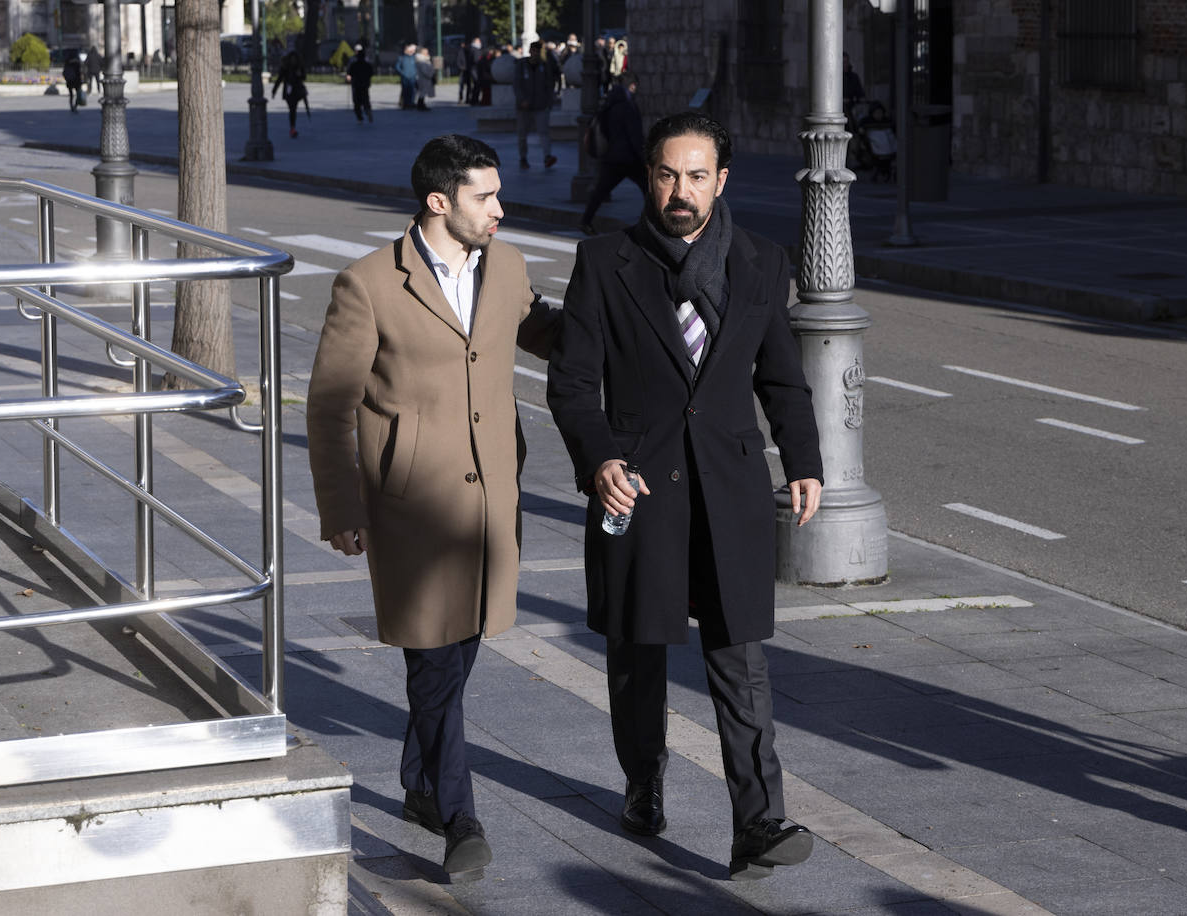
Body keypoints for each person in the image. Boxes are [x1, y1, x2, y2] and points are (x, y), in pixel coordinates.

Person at [546, 111, 823, 881]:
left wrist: (804, 461)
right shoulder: (605, 263)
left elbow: (782, 379)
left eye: (697, 176)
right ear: (649, 179)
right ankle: (643, 780)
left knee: (740, 659)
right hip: (636, 486)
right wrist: (598, 457)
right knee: (637, 652)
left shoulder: (763, 263)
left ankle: (757, 822)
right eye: (668, 175)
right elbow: (570, 384)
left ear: (721, 181)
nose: (681, 191)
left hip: (729, 487)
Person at [306, 134, 559, 884]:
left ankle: (419, 785)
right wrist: (341, 505)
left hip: (490, 502)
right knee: (433, 659)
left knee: (464, 643)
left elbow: (540, 331)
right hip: (412, 505)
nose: (500, 210)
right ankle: (460, 815)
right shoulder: (368, 284)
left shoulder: (505, 266)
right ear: (440, 202)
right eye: (486, 196)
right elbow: (330, 407)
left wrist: (621, 322)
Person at [580, 71, 647, 235]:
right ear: (632, 86)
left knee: (601, 191)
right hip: (629, 158)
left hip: (611, 157)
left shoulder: (609, 103)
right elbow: (634, 135)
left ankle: (585, 221)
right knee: (649, 190)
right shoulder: (628, 105)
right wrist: (644, 157)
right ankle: (651, 224)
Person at [513, 40, 559, 169]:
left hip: (541, 105)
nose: (536, 54)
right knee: (522, 134)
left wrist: (549, 102)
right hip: (523, 107)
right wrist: (522, 100)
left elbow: (549, 85)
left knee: (544, 132)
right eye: (534, 51)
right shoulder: (521, 65)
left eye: (538, 51)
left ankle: (547, 156)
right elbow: (517, 85)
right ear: (530, 51)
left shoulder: (544, 65)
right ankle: (523, 158)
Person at [270, 50, 308, 138]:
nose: (293, 61)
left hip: (297, 91)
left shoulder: (299, 67)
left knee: (293, 110)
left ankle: (292, 128)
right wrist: (274, 91)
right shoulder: (285, 68)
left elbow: (304, 77)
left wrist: (299, 75)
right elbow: (279, 79)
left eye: (295, 59)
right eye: (292, 59)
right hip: (289, 91)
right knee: (292, 110)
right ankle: (292, 128)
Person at [346, 44, 375, 122]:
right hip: (364, 84)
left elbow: (350, 71)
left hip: (356, 85)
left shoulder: (355, 64)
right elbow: (371, 72)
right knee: (365, 99)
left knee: (357, 102)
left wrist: (349, 76)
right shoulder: (366, 64)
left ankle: (360, 116)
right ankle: (367, 111)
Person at [396, 43, 418, 109]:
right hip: (404, 77)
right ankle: (405, 104)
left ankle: (411, 103)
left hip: (413, 77)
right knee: (405, 91)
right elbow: (397, 67)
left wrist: (415, 73)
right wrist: (403, 73)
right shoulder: (401, 58)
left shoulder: (415, 58)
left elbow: (418, 67)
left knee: (412, 91)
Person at [459, 37, 481, 104]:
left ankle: (470, 99)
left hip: (470, 69)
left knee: (471, 85)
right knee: (475, 84)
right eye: (478, 41)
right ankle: (473, 99)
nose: (480, 42)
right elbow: (476, 59)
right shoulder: (474, 49)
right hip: (473, 69)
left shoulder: (471, 49)